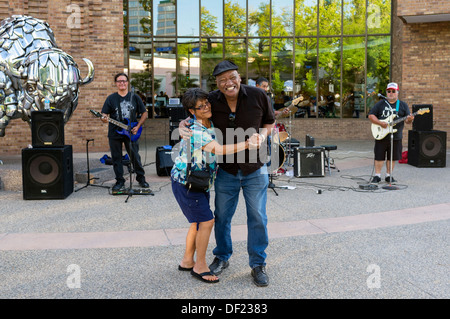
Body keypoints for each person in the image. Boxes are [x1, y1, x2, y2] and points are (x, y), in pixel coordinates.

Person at [180, 60, 275, 287]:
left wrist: (262, 136)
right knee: (222, 218)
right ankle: (222, 257)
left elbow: (270, 122)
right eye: (222, 80)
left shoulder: (258, 95)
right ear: (217, 84)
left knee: (258, 217)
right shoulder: (211, 100)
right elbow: (194, 113)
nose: (228, 83)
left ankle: (258, 264)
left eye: (231, 77)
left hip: (255, 167)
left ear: (239, 77)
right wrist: (184, 124)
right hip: (226, 169)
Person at [171, 88, 261, 284]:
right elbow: (218, 150)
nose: (206, 107)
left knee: (197, 222)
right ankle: (200, 266)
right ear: (191, 111)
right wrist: (247, 144)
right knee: (207, 221)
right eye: (200, 106)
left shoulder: (209, 123)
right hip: (187, 183)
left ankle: (187, 261)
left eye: (207, 103)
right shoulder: (195, 130)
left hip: (198, 182)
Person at [101, 73, 149, 191]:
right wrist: (103, 118)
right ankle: (120, 181)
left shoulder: (134, 97)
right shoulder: (111, 98)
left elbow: (145, 113)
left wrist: (137, 126)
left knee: (135, 157)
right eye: (119, 81)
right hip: (114, 133)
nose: (122, 83)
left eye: (124, 81)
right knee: (116, 158)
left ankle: (141, 178)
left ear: (127, 82)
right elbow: (104, 115)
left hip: (131, 132)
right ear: (116, 83)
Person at [368, 82, 414, 183]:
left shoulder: (402, 105)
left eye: (393, 91)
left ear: (397, 92)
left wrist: (410, 119)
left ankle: (389, 175)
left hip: (396, 136)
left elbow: (407, 121)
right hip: (381, 134)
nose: (391, 93)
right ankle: (377, 175)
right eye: (389, 91)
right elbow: (371, 116)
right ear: (386, 92)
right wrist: (380, 123)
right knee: (379, 156)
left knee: (392, 157)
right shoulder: (380, 104)